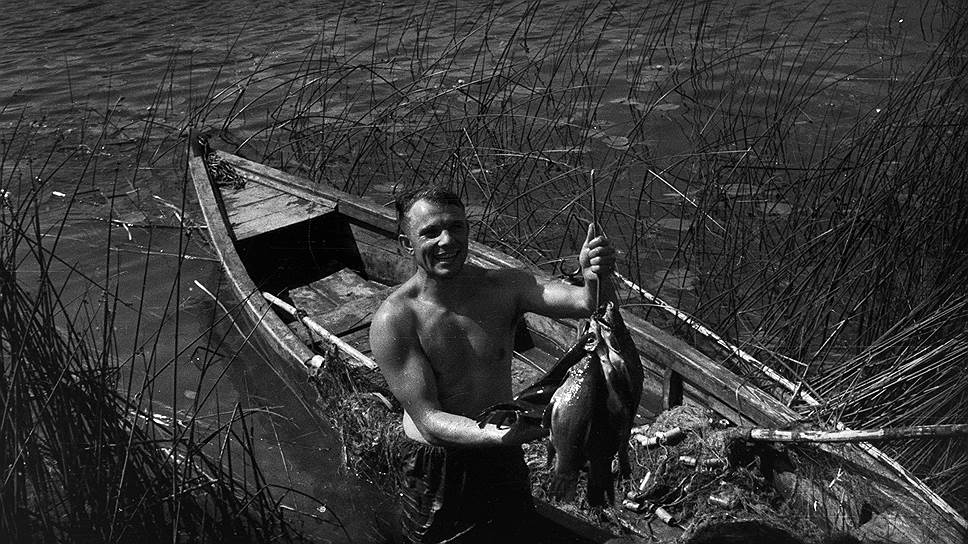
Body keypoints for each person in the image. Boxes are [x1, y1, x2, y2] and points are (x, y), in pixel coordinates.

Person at [369, 186, 615, 543]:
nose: (446, 240)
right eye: (430, 232)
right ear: (407, 243)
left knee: (512, 533)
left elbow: (587, 304)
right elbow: (429, 420)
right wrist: (504, 435)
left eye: (456, 227)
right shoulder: (395, 319)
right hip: (438, 462)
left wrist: (594, 277)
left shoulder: (504, 286)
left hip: (501, 447)